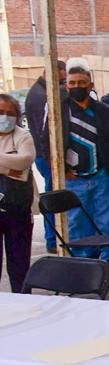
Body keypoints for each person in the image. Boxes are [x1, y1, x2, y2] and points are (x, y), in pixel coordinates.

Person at [43, 65, 109, 275]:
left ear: (90, 85)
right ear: (66, 85)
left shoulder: (105, 112)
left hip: (102, 177)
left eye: (81, 83)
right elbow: (46, 143)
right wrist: (62, 170)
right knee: (77, 224)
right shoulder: (58, 112)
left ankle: (108, 264)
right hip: (74, 179)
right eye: (72, 83)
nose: (77, 87)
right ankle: (83, 266)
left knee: (105, 223)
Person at [25, 59, 65, 253]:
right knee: (52, 198)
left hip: (46, 154)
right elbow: (46, 130)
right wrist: (51, 156)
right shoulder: (40, 96)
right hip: (46, 155)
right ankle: (52, 240)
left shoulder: (39, 92)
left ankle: (54, 239)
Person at [0, 93, 36, 293]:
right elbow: (16, 168)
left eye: (9, 113)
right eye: (0, 113)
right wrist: (9, 168)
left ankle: (24, 301)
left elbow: (25, 161)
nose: (5, 117)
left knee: (19, 264)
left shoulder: (23, 136)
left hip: (18, 209)